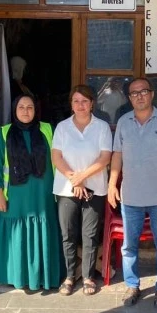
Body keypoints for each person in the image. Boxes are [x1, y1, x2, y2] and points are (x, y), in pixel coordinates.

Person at [108, 77, 157, 308]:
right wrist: (112, 184)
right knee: (129, 246)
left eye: (143, 91)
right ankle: (132, 285)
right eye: (134, 93)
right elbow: (117, 155)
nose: (139, 96)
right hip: (131, 196)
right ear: (129, 98)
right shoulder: (124, 121)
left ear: (152, 94)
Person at [0, 95, 64, 292]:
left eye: (30, 107)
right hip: (14, 195)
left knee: (43, 229)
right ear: (14, 110)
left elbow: (60, 156)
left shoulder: (48, 129)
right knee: (17, 233)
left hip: (43, 194)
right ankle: (17, 276)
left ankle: (43, 276)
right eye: (21, 107)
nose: (25, 111)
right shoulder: (4, 132)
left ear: (35, 110)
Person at [52, 85, 112, 296]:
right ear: (71, 104)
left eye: (85, 101)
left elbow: (105, 158)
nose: (80, 105)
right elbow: (56, 157)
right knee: (68, 233)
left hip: (95, 188)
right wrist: (74, 180)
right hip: (66, 188)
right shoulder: (62, 127)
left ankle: (88, 277)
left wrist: (82, 177)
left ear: (92, 103)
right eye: (76, 101)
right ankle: (69, 276)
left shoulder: (102, 127)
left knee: (90, 234)